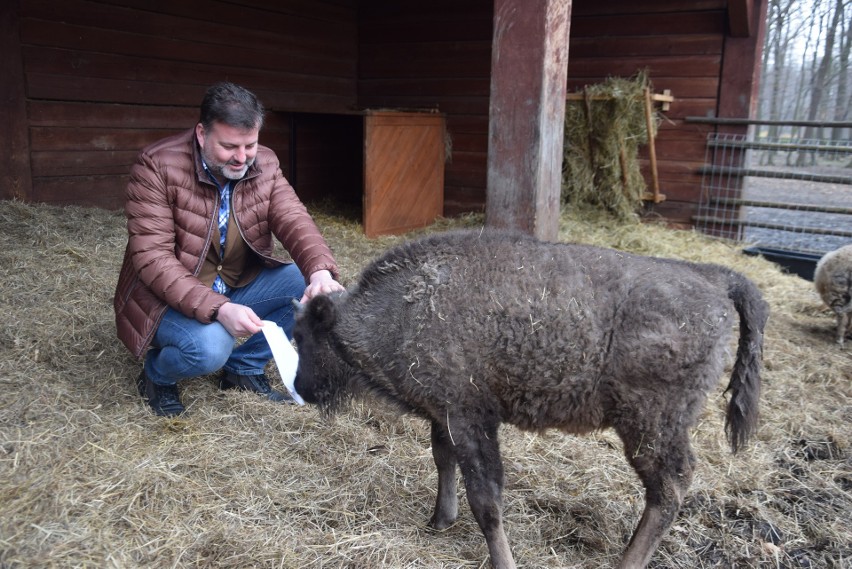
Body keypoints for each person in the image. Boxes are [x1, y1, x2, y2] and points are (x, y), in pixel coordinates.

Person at [114, 82, 345, 417]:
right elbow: (153, 260)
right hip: (166, 297)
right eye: (229, 146)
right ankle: (156, 375)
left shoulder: (264, 163)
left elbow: (293, 217)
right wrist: (220, 309)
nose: (242, 157)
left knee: (301, 281)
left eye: (250, 144)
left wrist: (319, 272)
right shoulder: (155, 166)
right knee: (209, 348)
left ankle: (244, 369)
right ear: (201, 134)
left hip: (232, 281)